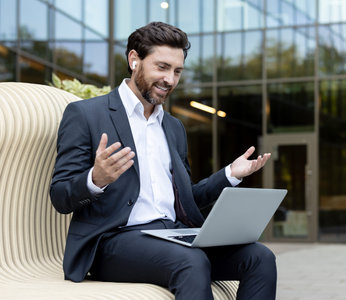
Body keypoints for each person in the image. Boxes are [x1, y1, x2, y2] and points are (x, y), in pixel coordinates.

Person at [50, 22, 276, 299]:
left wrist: (230, 174)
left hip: (174, 236)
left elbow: (187, 199)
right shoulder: (85, 115)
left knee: (259, 257)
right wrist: (96, 180)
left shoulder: (173, 127)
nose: (170, 79)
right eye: (162, 67)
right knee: (190, 262)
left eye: (177, 71)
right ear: (134, 60)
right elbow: (60, 196)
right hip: (113, 242)